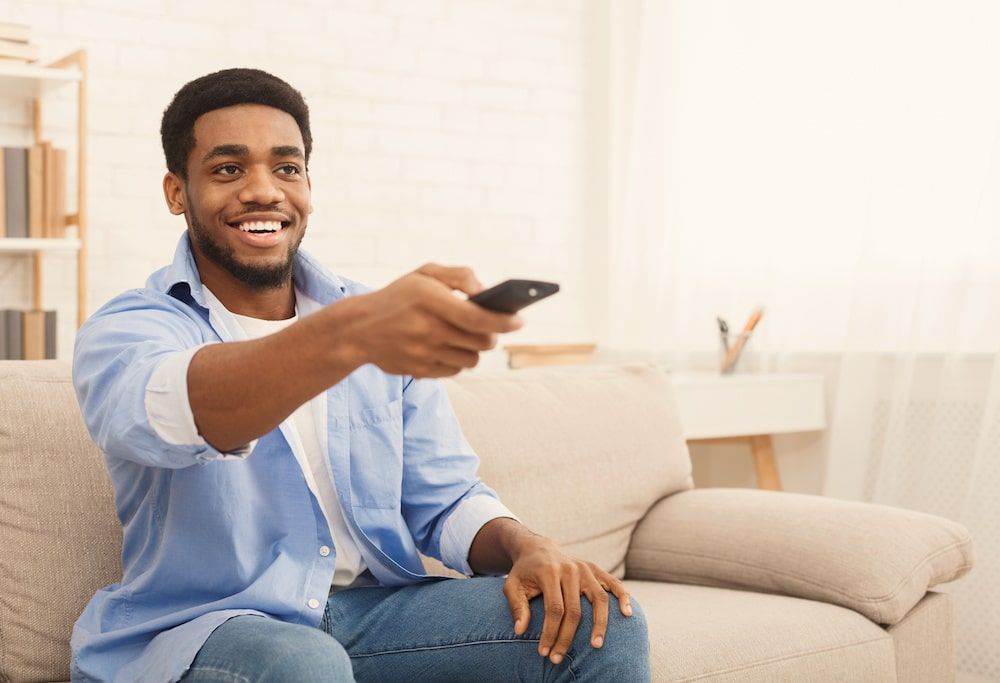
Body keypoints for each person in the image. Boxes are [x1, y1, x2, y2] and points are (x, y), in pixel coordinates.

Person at [70, 68, 650, 683]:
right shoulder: (130, 330)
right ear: (176, 192)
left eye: (286, 168)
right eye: (228, 169)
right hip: (206, 630)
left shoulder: (374, 318)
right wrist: (350, 335)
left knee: (601, 619)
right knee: (302, 662)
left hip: (370, 617)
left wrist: (526, 546)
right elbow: (183, 409)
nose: (264, 191)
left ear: (308, 187)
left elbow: (444, 499)